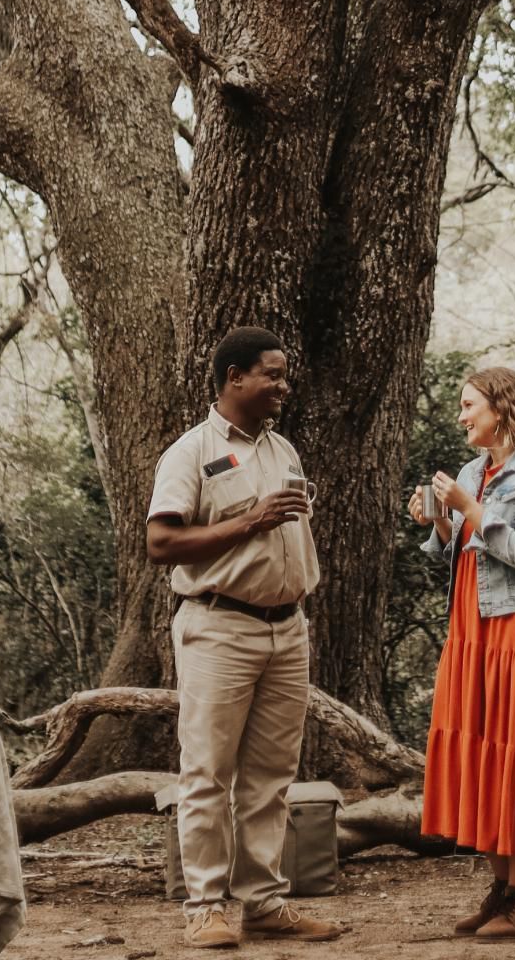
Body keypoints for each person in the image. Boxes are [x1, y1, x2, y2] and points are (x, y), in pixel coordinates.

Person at [146, 326, 343, 949]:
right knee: (207, 772)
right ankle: (205, 906)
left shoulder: (283, 450)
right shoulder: (190, 452)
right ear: (235, 377)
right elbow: (161, 543)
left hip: (287, 630)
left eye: (284, 375)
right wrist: (252, 520)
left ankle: (262, 902)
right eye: (273, 375)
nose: (284, 386)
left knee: (271, 776)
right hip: (218, 626)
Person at [407, 366, 515, 941]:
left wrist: (470, 506)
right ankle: (500, 892)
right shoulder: (470, 471)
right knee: (480, 758)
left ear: (502, 407)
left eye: (468, 405)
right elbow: (448, 550)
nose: (461, 416)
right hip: (471, 633)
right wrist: (436, 514)